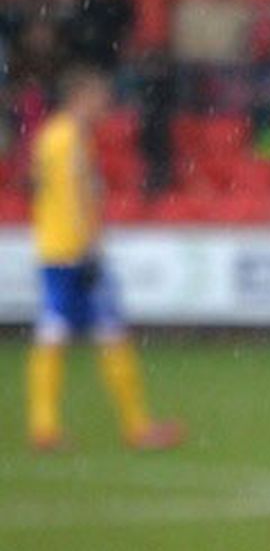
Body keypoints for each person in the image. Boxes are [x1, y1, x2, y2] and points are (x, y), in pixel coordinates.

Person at [25, 66, 182, 453]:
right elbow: (77, 196)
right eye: (99, 99)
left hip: (52, 249)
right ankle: (136, 426)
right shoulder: (70, 139)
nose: (105, 107)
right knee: (108, 333)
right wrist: (91, 246)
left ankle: (45, 425)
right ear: (80, 97)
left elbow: (38, 186)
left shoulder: (50, 136)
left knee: (54, 334)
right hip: (76, 252)